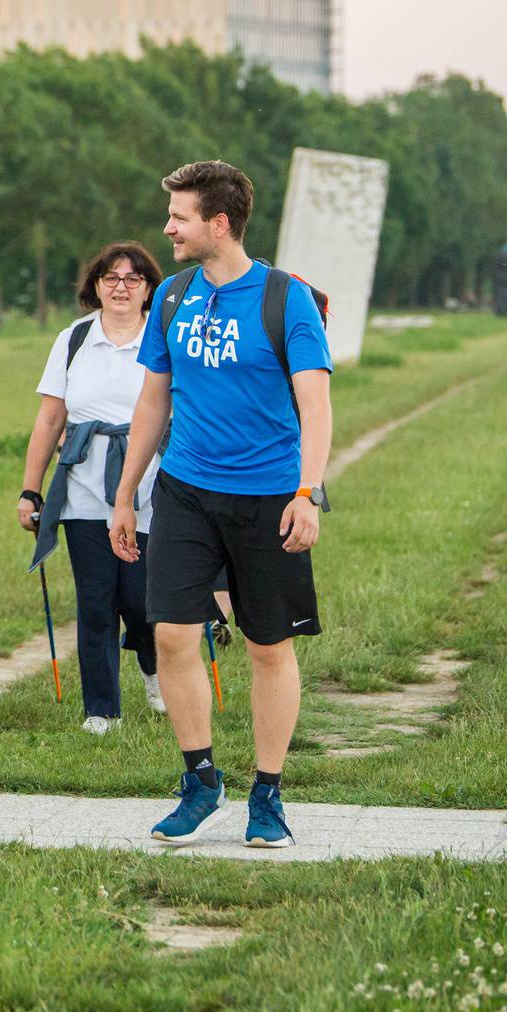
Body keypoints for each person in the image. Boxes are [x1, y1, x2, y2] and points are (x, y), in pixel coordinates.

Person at [110, 160, 332, 848]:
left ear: (219, 223)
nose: (168, 228)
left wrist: (307, 492)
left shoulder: (284, 298)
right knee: (172, 634)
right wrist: (126, 493)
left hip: (269, 497)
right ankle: (201, 780)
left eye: (179, 216)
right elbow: (153, 399)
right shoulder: (173, 296)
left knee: (269, 648)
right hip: (185, 492)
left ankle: (267, 795)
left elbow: (315, 403)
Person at [19, 241, 165, 734]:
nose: (121, 286)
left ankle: (153, 666)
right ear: (96, 285)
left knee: (142, 601)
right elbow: (50, 418)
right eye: (111, 277)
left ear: (149, 288)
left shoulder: (162, 336)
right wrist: (30, 489)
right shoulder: (74, 339)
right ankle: (101, 709)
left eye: (133, 278)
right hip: (82, 486)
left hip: (150, 489)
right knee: (97, 600)